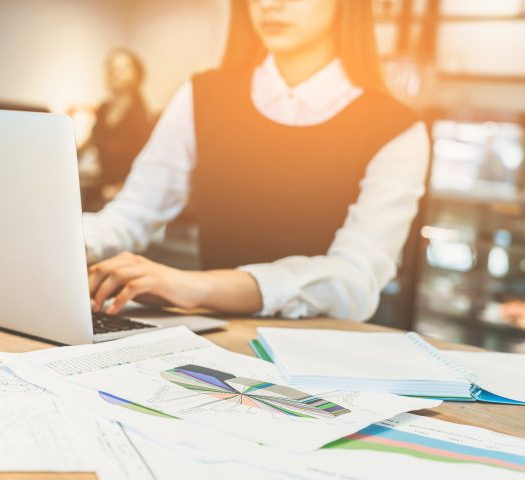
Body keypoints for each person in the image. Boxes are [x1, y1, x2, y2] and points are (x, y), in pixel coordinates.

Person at [84, 0, 430, 322]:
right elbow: (131, 214)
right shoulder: (202, 95)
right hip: (215, 336)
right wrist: (62, 241)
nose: (269, 4)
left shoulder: (397, 130)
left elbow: (355, 278)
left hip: (318, 355)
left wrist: (197, 286)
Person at [85, 48, 152, 203]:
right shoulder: (103, 109)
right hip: (103, 187)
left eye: (122, 68)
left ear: (137, 75)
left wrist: (122, 187)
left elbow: (145, 160)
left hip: (128, 194)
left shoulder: (141, 116)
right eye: (111, 68)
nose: (114, 73)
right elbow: (92, 139)